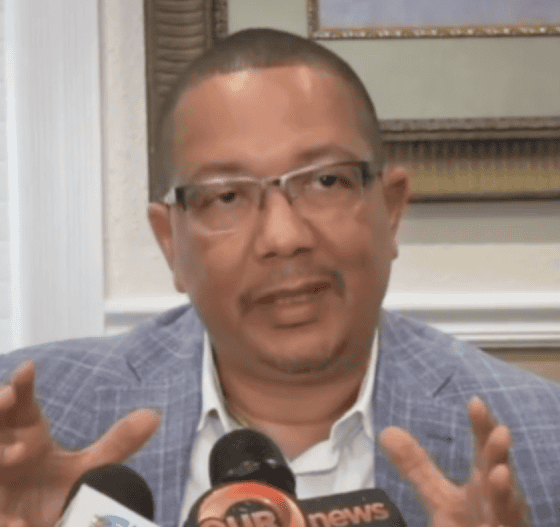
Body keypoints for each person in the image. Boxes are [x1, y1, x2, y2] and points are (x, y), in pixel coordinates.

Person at [0, 28, 558, 527]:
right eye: (227, 195)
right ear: (170, 242)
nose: (283, 237)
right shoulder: (25, 433)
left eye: (327, 182)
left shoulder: (543, 442)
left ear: (391, 210)